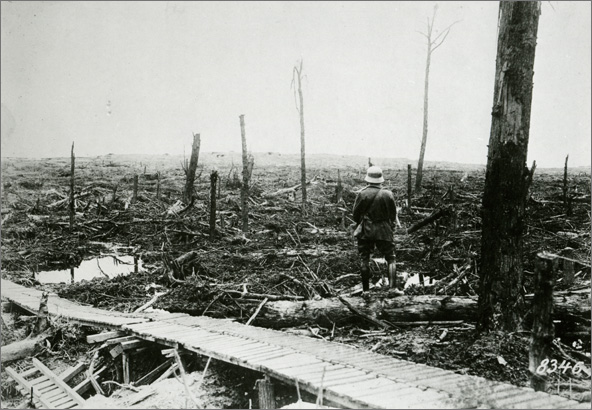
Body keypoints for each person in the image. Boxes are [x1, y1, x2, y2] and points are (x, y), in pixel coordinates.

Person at [352, 166, 403, 295]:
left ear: (368, 179)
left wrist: (364, 223)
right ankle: (392, 289)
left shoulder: (362, 194)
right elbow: (392, 215)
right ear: (381, 180)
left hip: (366, 230)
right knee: (391, 257)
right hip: (384, 230)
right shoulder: (388, 194)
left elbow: (355, 215)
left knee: (365, 258)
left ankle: (366, 291)